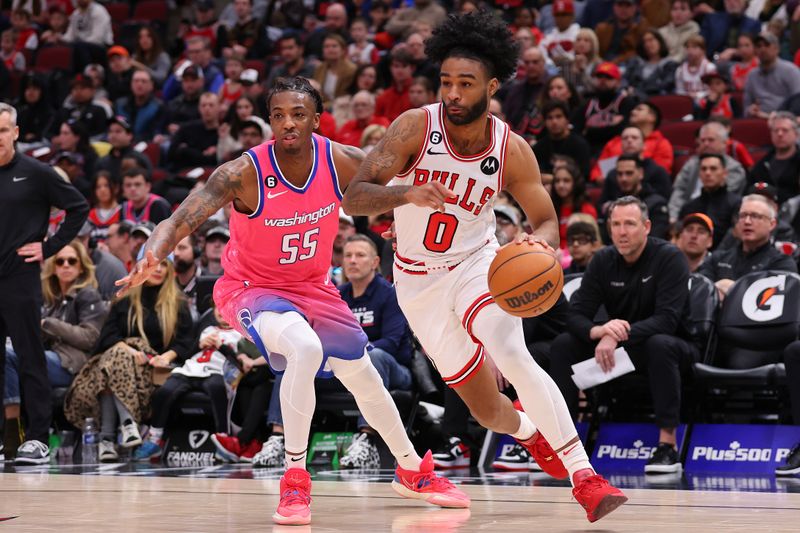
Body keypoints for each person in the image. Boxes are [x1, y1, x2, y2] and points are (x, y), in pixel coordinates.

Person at [115, 77, 469, 525]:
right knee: (303, 348)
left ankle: (410, 469)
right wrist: (153, 252)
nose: (288, 123)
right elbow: (182, 217)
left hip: (315, 287)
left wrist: (403, 216)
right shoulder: (242, 173)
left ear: (317, 119)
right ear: (269, 121)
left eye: (298, 114)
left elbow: (396, 186)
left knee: (363, 377)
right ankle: (295, 478)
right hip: (252, 288)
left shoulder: (340, 160)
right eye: (278, 115)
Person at [342, 11, 627, 523]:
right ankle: (529, 431)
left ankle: (585, 477)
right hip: (416, 281)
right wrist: (405, 192)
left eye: (465, 83)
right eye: (446, 81)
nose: (452, 92)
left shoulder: (510, 149)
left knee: (513, 354)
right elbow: (355, 195)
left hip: (479, 264)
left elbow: (544, 219)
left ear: (491, 86)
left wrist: (535, 246)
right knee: (486, 409)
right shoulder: (413, 126)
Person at [549, 196, 700, 474]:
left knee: (660, 345)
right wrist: (600, 331)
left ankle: (668, 446)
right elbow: (574, 316)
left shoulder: (670, 257)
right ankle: (565, 446)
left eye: (629, 224)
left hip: (675, 345)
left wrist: (615, 336)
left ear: (646, 226)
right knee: (563, 345)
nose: (621, 231)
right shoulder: (604, 260)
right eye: (615, 224)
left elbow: (667, 321)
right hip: (625, 348)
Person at [0, 103, 89, 465]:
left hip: (19, 278)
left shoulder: (36, 173)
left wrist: (49, 247)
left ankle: (37, 439)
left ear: (16, 133)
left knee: (29, 358)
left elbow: (78, 207)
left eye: (3, 131)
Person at [65, 254, 193, 463]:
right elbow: (107, 336)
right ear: (141, 268)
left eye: (163, 265)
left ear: (170, 270)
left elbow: (186, 341)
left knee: (111, 363)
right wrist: (131, 352)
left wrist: (164, 357)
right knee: (117, 356)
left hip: (153, 369)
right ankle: (127, 426)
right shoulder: (124, 299)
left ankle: (108, 437)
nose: (158, 269)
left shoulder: (177, 303)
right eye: (152, 265)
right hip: (123, 361)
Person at [3, 240, 105, 459]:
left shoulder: (88, 295)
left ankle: (13, 430)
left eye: (71, 261)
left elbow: (90, 337)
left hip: (74, 364)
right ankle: (12, 431)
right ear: (53, 266)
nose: (66, 265)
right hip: (50, 359)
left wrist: (48, 324)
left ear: (81, 266)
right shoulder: (50, 298)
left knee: (11, 358)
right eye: (60, 261)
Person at [698, 195, 798, 301]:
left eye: (755, 216)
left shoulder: (782, 263)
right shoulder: (717, 258)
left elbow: (778, 302)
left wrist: (733, 289)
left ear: (772, 224)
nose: (747, 221)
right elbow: (699, 291)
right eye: (743, 215)